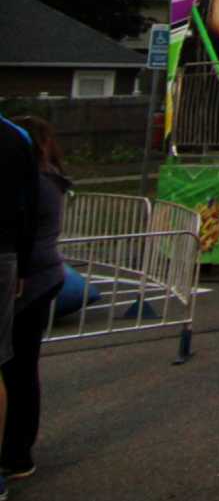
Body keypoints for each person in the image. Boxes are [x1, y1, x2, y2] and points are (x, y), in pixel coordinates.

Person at [1, 117, 65, 483]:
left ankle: (16, 450)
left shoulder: (37, 183)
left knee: (18, 369)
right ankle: (17, 449)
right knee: (21, 369)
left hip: (30, 281)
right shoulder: (47, 179)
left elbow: (22, 227)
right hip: (36, 276)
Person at [0, 116, 47, 499]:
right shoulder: (19, 138)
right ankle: (13, 456)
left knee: (10, 365)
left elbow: (28, 213)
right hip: (16, 264)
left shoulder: (16, 138)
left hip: (16, 264)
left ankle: (13, 456)